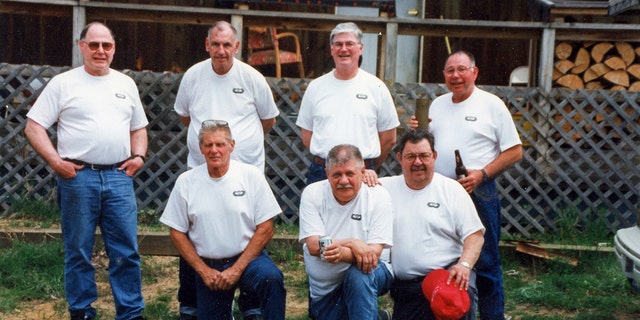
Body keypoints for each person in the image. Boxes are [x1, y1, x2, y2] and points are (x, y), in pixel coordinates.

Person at [24, 22, 147, 320]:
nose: (101, 51)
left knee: (126, 252)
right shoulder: (64, 83)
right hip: (78, 178)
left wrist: (139, 156)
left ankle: (130, 313)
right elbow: (34, 126)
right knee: (78, 251)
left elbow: (139, 127)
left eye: (107, 46)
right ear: (82, 46)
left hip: (119, 177)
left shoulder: (125, 83)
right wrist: (56, 162)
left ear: (114, 49)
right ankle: (82, 312)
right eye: (94, 45)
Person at [173, 20, 279, 319]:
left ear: (237, 47)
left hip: (247, 174)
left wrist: (237, 149)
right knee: (195, 235)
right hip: (202, 173)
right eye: (215, 44)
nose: (221, 50)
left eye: (227, 45)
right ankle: (190, 303)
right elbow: (185, 116)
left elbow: (268, 120)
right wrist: (210, 148)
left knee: (250, 233)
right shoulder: (193, 76)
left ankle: (251, 304)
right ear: (207, 45)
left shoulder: (252, 77)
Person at [425, 50, 523, 319]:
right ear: (444, 75)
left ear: (474, 72)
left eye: (461, 69)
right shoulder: (437, 105)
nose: (455, 76)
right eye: (449, 71)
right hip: (442, 192)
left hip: (478, 191)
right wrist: (417, 130)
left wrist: (483, 174)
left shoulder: (491, 105)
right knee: (445, 258)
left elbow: (515, 151)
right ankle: (451, 311)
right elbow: (427, 147)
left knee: (487, 262)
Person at [159, 120, 286, 320]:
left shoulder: (250, 176)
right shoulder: (186, 182)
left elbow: (266, 228)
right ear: (201, 148)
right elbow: (176, 232)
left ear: (231, 146)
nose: (214, 150)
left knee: (271, 278)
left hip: (249, 259)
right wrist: (203, 270)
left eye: (220, 144)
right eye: (208, 145)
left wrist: (237, 269)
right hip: (210, 267)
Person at [379, 129, 485, 320]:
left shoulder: (452, 189)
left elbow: (475, 235)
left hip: (448, 278)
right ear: (399, 158)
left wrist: (464, 265)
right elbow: (350, 181)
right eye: (410, 156)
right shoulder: (384, 188)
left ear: (434, 156)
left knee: (456, 301)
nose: (417, 162)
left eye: (424, 156)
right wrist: (367, 173)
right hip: (407, 286)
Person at [295, 22, 400, 185]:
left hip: (363, 173)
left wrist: (363, 166)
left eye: (349, 44)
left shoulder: (376, 86)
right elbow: (307, 136)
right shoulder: (315, 87)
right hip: (322, 172)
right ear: (331, 50)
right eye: (338, 44)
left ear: (360, 48)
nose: (343, 49)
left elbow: (389, 137)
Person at [298, 144, 394, 319]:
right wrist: (353, 243)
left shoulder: (378, 195)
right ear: (327, 174)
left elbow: (372, 255)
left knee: (358, 276)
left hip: (374, 271)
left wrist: (341, 252)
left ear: (363, 172)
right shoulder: (312, 194)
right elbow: (313, 246)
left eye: (350, 173)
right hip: (325, 292)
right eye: (337, 174)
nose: (343, 181)